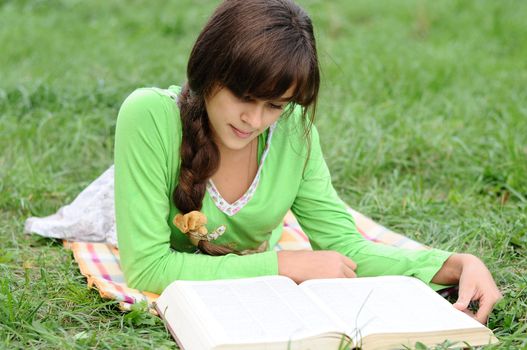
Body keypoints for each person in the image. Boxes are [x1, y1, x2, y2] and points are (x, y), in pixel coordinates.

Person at [114, 0, 501, 324]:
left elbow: (345, 248)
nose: (255, 120)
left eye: (275, 105)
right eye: (243, 96)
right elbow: (148, 267)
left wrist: (456, 264)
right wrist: (283, 266)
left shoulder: (293, 133)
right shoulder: (149, 116)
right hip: (138, 184)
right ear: (208, 68)